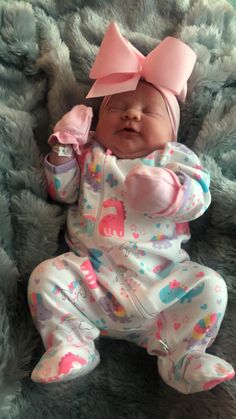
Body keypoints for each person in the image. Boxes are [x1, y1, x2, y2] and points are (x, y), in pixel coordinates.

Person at [28, 22, 234, 393]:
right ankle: (71, 343)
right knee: (46, 277)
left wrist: (170, 193)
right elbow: (63, 191)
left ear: (171, 131)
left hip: (164, 285)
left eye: (148, 112)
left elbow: (199, 198)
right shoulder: (91, 153)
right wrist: (62, 148)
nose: (131, 115)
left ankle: (182, 358)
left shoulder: (174, 157)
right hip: (92, 281)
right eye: (118, 107)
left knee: (211, 287)